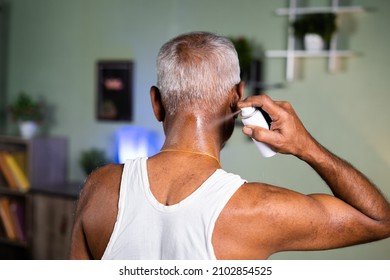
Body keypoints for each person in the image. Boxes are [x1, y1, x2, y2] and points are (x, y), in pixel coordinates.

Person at [69, 31, 390, 260]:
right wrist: (307, 147)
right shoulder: (256, 209)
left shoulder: (100, 188)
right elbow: (379, 221)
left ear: (156, 102)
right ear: (238, 97)